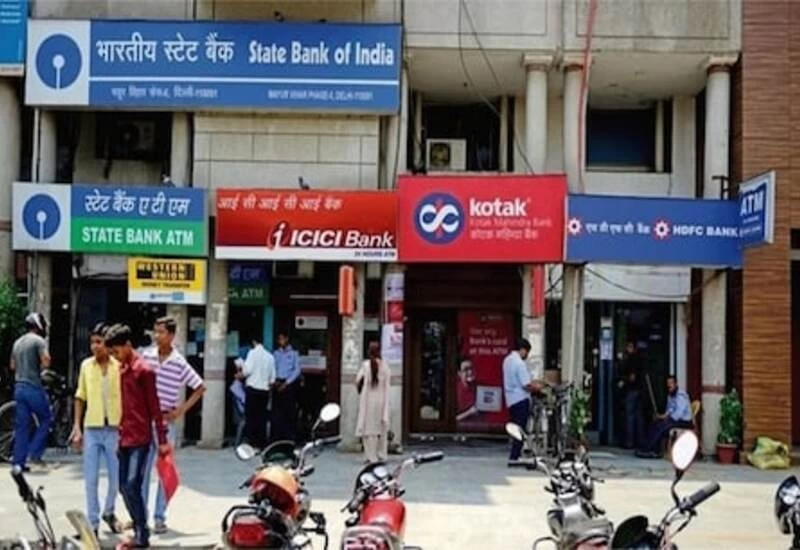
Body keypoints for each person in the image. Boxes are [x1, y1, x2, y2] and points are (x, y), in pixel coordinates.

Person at [105, 323, 169, 548]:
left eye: (116, 351)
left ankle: (142, 532)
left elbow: (155, 408)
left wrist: (162, 441)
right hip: (124, 437)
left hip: (141, 439)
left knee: (133, 484)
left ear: (128, 345)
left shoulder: (144, 371)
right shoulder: (121, 369)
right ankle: (139, 528)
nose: (115, 356)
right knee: (123, 488)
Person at [140, 317, 205, 534]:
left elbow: (199, 387)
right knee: (142, 470)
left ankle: (159, 516)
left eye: (161, 332)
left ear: (171, 335)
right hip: (145, 421)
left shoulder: (178, 362)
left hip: (166, 423)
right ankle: (141, 516)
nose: (157, 336)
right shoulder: (146, 356)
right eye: (155, 331)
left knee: (163, 472)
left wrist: (180, 410)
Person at [71, 322, 124, 537]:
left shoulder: (118, 367)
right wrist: (77, 427)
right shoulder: (86, 366)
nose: (95, 346)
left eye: (99, 342)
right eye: (92, 342)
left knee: (116, 478)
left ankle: (109, 511)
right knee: (90, 479)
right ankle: (92, 522)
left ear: (108, 344)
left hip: (114, 429)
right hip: (91, 428)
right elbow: (80, 397)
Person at [10, 312, 52, 473]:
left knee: (22, 426)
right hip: (33, 387)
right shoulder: (38, 341)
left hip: (18, 387)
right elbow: (46, 361)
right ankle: (34, 453)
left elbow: (12, 365)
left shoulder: (17, 342)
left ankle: (18, 463)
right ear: (38, 325)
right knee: (46, 419)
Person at [503, 339, 542, 464]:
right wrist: (538, 388)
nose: (527, 355)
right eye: (527, 352)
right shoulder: (519, 364)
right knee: (520, 429)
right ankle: (515, 456)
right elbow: (526, 385)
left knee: (515, 427)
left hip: (511, 400)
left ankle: (515, 454)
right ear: (523, 350)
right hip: (520, 399)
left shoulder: (507, 361)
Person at [636, 376, 693, 459]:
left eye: (671, 383)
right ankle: (653, 449)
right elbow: (670, 410)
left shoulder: (681, 396)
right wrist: (662, 416)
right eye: (668, 383)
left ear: (676, 384)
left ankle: (649, 450)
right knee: (655, 424)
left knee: (662, 426)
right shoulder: (670, 395)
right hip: (674, 420)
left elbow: (678, 414)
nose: (669, 385)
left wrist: (665, 419)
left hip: (684, 421)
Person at [237, 336, 275, 449]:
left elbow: (247, 371)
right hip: (264, 391)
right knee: (262, 418)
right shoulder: (270, 356)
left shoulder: (252, 353)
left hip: (252, 390)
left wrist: (240, 369)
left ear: (254, 342)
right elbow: (272, 378)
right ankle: (261, 443)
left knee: (251, 418)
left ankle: (251, 443)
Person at [356, 342, 391, 463]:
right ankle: (382, 454)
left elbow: (357, 381)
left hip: (368, 401)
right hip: (381, 400)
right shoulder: (385, 366)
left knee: (368, 430)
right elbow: (387, 385)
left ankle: (370, 455)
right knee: (382, 428)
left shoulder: (365, 365)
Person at [272, 331, 301, 442]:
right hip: (277, 383)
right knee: (277, 413)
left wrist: (287, 383)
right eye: (279, 339)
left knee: (289, 412)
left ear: (287, 339)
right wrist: (274, 381)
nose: (281, 341)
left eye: (282, 339)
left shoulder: (294, 354)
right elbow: (273, 367)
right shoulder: (276, 353)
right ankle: (277, 437)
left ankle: (290, 437)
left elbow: (297, 370)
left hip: (289, 384)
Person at [621, 342, 644, 449]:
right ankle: (640, 441)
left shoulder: (631, 360)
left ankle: (629, 442)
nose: (627, 348)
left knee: (630, 416)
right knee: (638, 416)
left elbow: (632, 377)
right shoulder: (639, 359)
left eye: (629, 346)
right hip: (639, 390)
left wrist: (623, 382)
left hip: (632, 390)